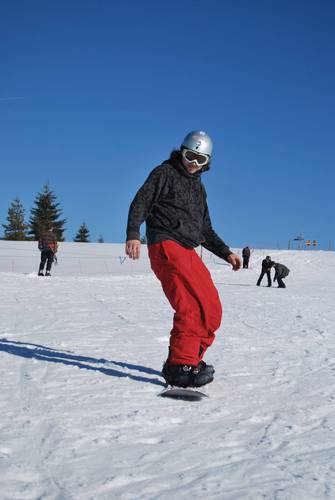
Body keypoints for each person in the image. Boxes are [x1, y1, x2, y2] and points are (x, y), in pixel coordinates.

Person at [125, 130, 241, 388]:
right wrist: (133, 233)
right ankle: (180, 366)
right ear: (181, 152)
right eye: (190, 156)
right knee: (190, 305)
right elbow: (141, 201)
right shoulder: (164, 173)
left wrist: (226, 253)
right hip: (166, 243)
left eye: (200, 160)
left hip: (187, 249)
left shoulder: (198, 189)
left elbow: (205, 230)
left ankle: (190, 360)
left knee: (211, 309)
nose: (193, 164)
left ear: (207, 162)